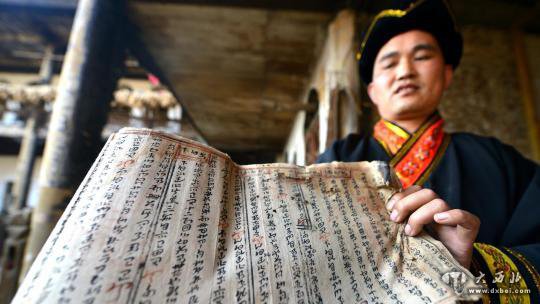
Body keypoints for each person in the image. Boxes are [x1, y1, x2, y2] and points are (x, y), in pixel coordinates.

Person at [317, 0, 540, 302]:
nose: (405, 71)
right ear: (372, 91)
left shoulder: (498, 159)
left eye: (421, 56)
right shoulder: (337, 159)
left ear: (447, 75)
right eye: (389, 63)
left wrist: (473, 266)